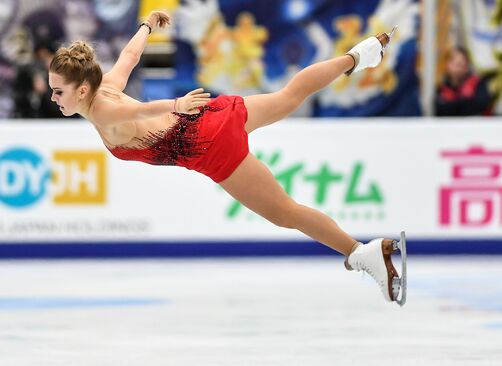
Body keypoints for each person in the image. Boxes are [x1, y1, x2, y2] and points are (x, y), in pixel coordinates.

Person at [48, 11, 406, 305]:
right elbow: (129, 57)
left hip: (210, 147)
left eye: (57, 91)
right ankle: (360, 55)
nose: (53, 98)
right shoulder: (108, 86)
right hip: (211, 115)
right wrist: (146, 27)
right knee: (289, 95)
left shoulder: (104, 112)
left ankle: (361, 253)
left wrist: (174, 105)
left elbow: (139, 112)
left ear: (81, 90)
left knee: (285, 212)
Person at [435, 46, 492, 116]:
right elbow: (440, 110)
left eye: (462, 64)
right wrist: (465, 101)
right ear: (447, 65)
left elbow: (480, 104)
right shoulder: (440, 88)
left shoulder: (478, 83)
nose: (459, 69)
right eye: (456, 64)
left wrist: (453, 105)